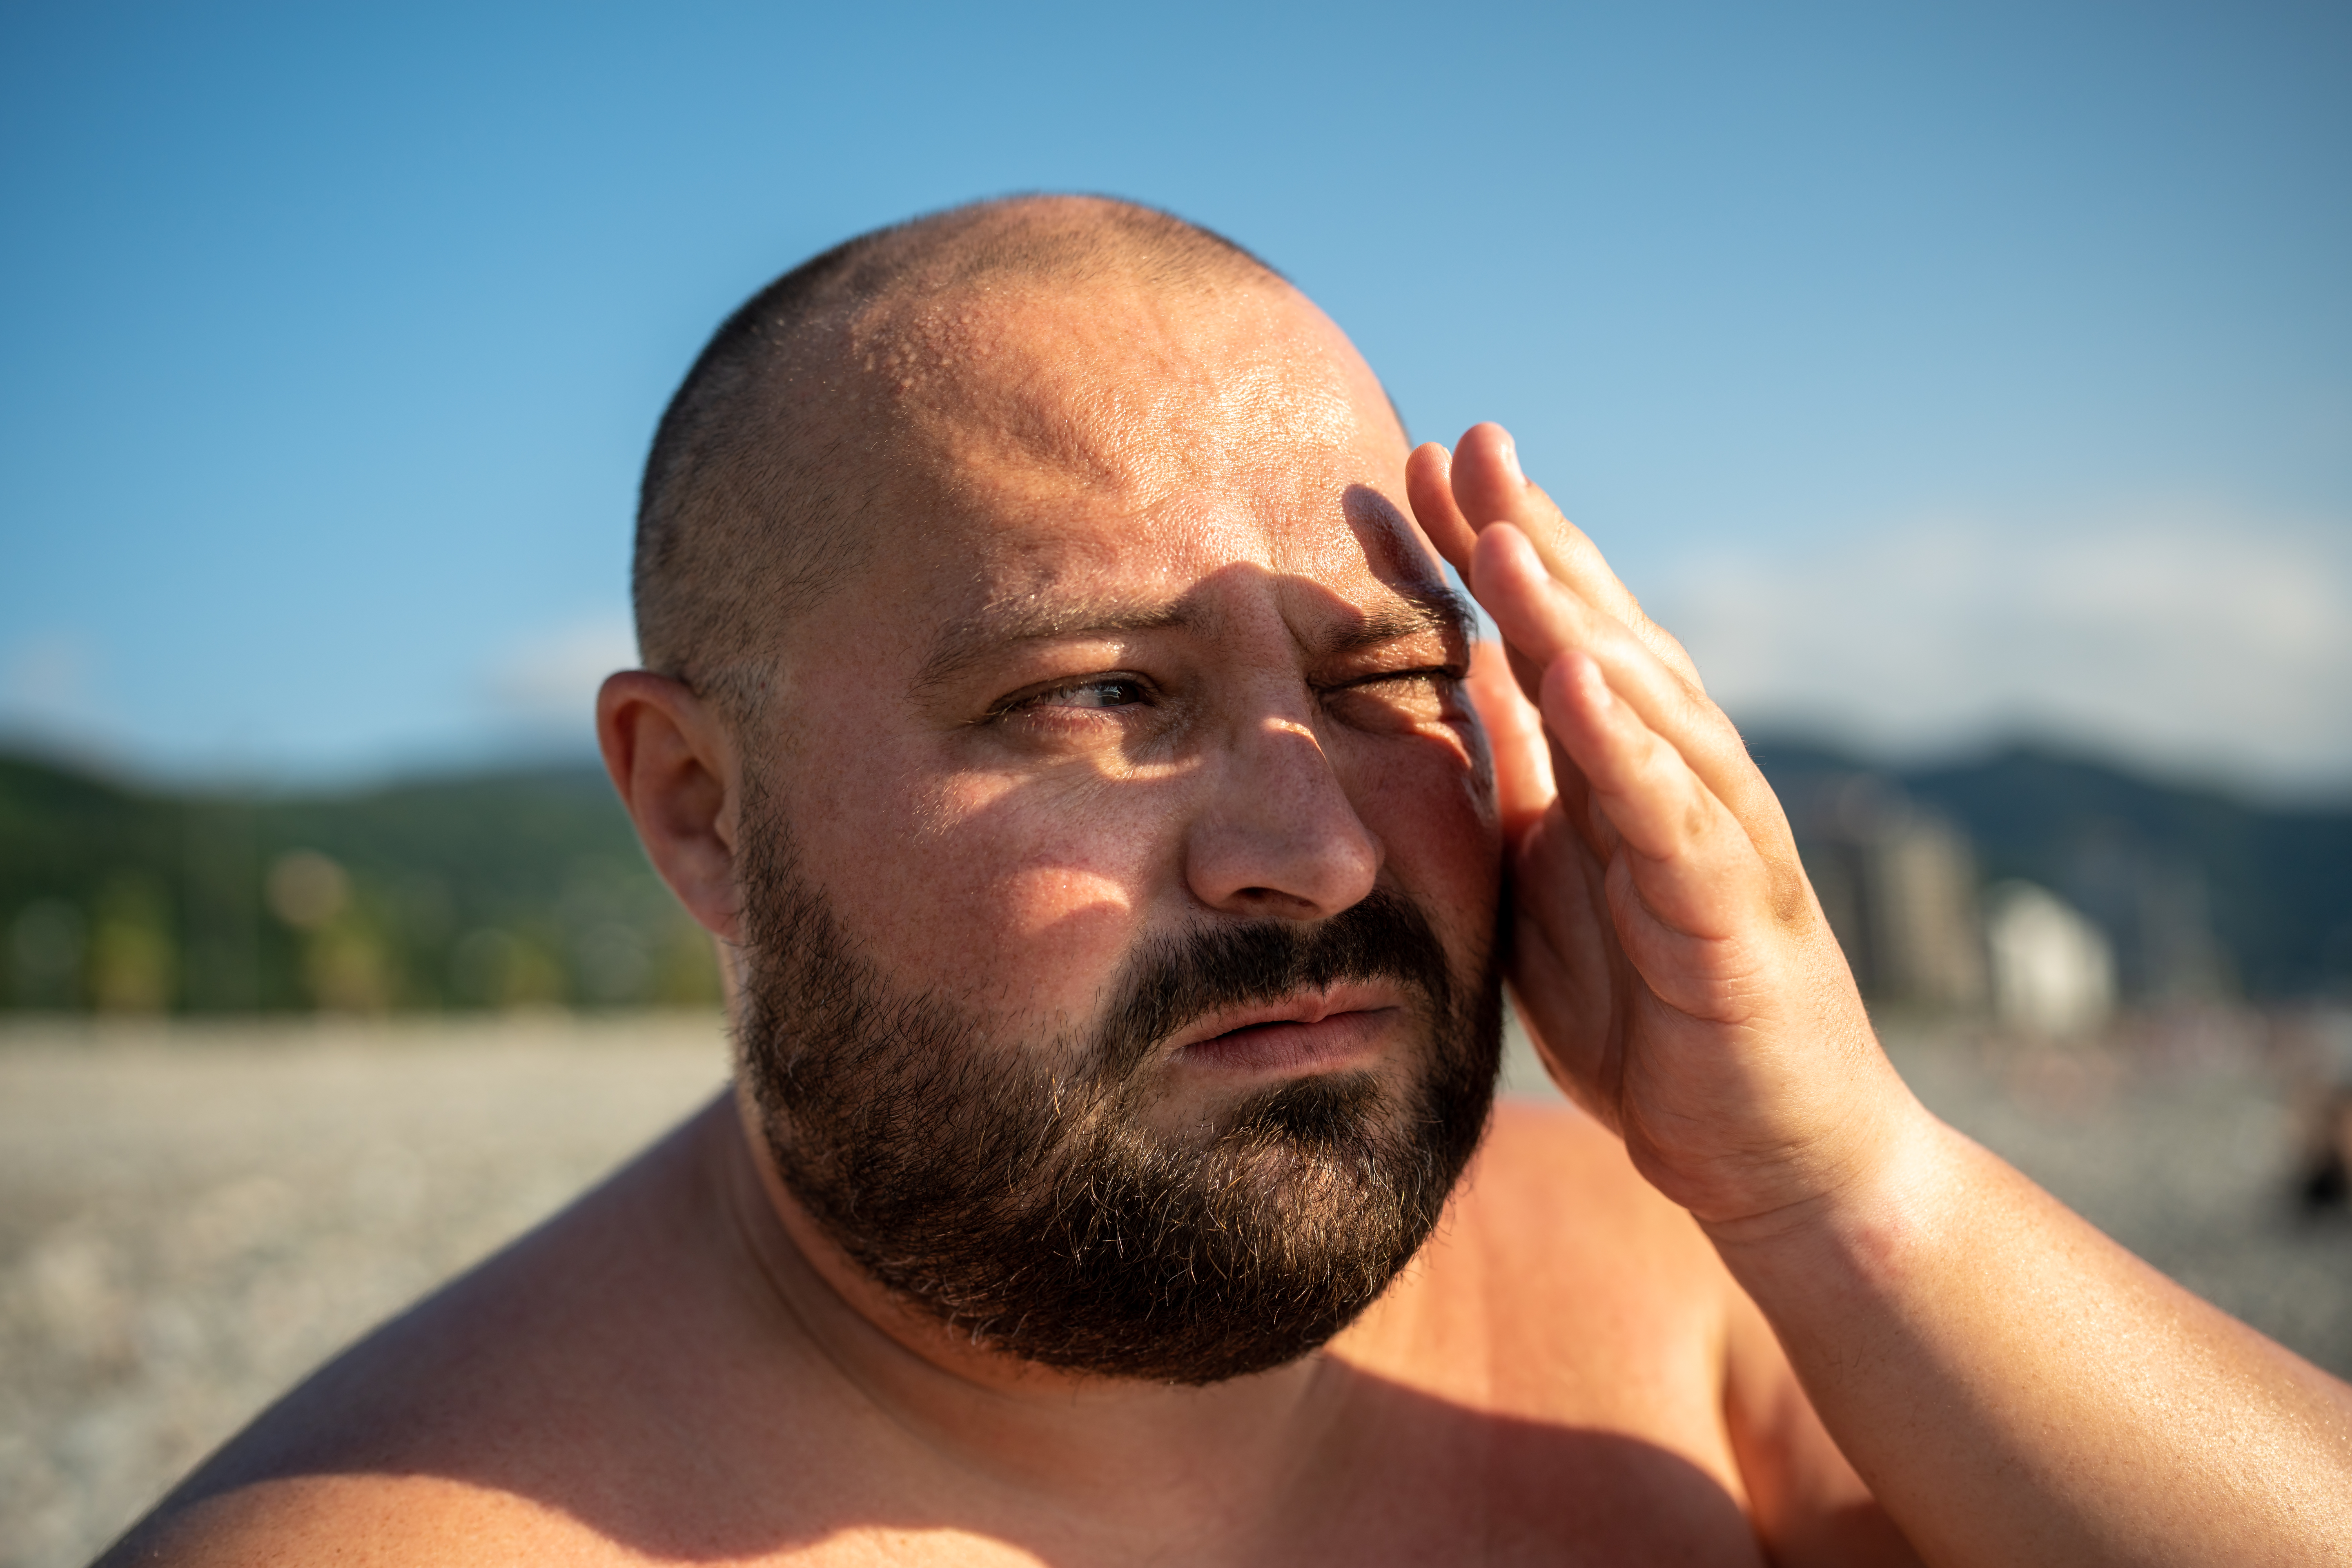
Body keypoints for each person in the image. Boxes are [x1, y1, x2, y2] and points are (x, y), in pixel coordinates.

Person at [104, 196, 2352, 1566]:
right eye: (1097, 697)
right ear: (700, 807)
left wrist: (1851, 1189)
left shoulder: (1686, 1304)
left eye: (1386, 679)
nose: (1313, 844)